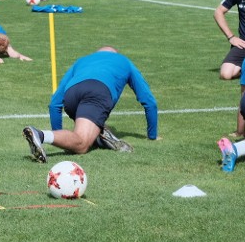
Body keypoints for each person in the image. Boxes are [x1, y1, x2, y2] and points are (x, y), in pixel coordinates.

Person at [23, 47, 159, 163]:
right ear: (115, 53)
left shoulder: (82, 61)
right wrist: (152, 136)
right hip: (97, 92)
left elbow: (54, 104)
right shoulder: (124, 61)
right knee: (81, 144)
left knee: (89, 128)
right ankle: (40, 135)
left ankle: (100, 137)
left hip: (71, 95)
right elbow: (148, 101)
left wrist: (59, 135)